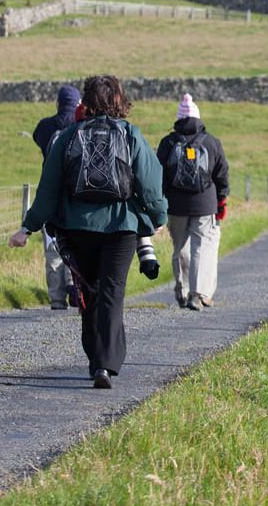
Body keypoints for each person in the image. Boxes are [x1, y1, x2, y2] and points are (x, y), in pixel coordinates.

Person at [10, 74, 168, 389]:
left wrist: (28, 227)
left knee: (88, 293)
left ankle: (96, 361)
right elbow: (150, 184)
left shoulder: (67, 137)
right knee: (112, 292)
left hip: (77, 227)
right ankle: (106, 365)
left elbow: (48, 190)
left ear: (86, 103)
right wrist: (158, 216)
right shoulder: (131, 135)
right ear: (119, 101)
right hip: (121, 228)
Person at [156, 94, 229, 311]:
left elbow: (159, 176)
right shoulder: (211, 142)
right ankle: (197, 295)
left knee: (180, 249)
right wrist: (221, 200)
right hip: (205, 204)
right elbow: (222, 174)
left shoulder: (168, 143)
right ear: (198, 117)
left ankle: (182, 292)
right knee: (201, 248)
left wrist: (162, 201)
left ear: (178, 119)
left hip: (176, 206)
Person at [31, 85, 82, 309]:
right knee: (75, 242)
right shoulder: (80, 126)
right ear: (78, 103)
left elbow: (36, 136)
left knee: (52, 248)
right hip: (74, 194)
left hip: (50, 193)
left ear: (58, 103)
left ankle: (56, 298)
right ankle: (74, 286)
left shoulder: (45, 127)